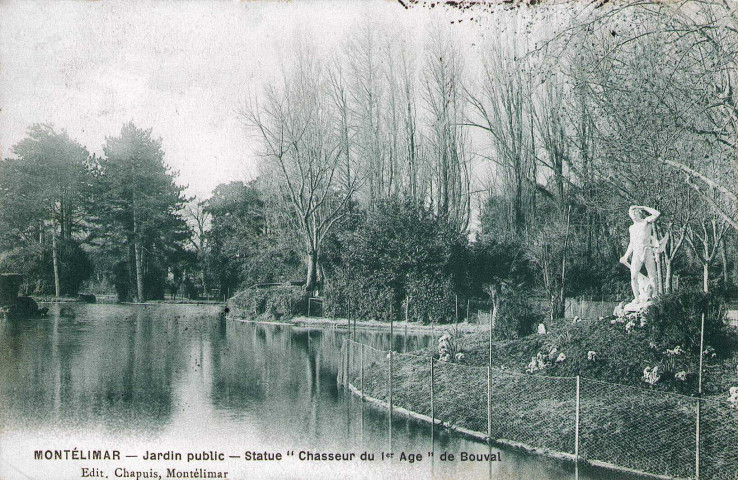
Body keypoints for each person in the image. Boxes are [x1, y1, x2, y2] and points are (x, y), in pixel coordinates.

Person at [619, 205, 661, 309]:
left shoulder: (646, 222)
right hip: (636, 252)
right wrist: (626, 255)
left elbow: (657, 214)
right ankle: (637, 298)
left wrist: (642, 207)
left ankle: (654, 296)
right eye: (631, 212)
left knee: (652, 275)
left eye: (635, 212)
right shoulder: (631, 228)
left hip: (647, 250)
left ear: (639, 212)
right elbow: (632, 243)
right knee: (633, 276)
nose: (633, 214)